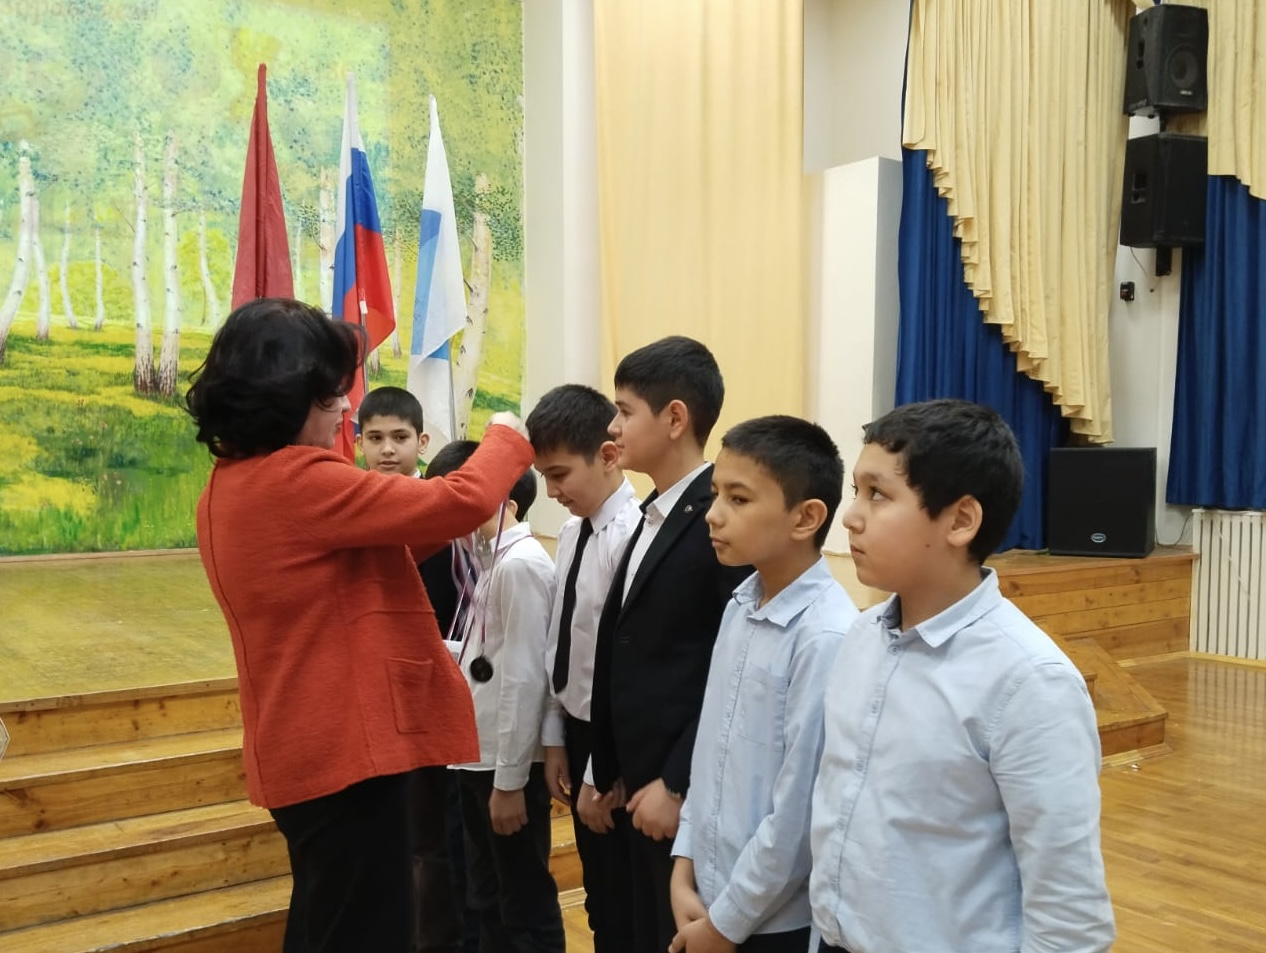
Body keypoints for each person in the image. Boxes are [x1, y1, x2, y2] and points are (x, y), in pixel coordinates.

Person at [185, 298, 535, 953]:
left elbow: (364, 560)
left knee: (326, 923)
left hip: (302, 746)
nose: (346, 408)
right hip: (343, 748)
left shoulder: (230, 484)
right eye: (329, 396)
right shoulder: (297, 478)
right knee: (368, 932)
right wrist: (506, 436)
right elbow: (464, 499)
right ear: (287, 399)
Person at [809, 399, 1116, 953]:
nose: (851, 516)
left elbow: (1069, 916)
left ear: (960, 521)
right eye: (856, 491)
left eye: (878, 494)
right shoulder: (860, 638)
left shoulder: (1029, 682)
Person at [669, 416, 858, 953]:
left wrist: (726, 923)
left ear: (806, 517)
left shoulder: (826, 636)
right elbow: (709, 754)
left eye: (739, 499)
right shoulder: (740, 605)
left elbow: (798, 815)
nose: (713, 514)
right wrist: (684, 864)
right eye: (715, 494)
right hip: (706, 892)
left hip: (772, 920)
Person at [588, 336, 752, 953]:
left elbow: (727, 664)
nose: (613, 426)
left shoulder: (719, 517)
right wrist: (606, 766)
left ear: (675, 417)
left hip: (676, 791)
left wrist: (679, 781)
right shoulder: (657, 510)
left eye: (624, 410)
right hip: (635, 783)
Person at [526, 384, 642, 953]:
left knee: (626, 901)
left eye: (560, 474)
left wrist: (601, 770)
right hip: (576, 730)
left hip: (617, 741)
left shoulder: (635, 537)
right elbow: (562, 643)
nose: (551, 492)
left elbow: (625, 668)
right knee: (599, 897)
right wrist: (555, 738)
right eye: (543, 477)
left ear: (608, 455)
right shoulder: (573, 533)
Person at [357, 386, 473, 953]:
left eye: (399, 438)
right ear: (357, 442)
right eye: (375, 438)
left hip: (430, 696)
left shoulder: (442, 519)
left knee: (431, 837)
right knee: (385, 837)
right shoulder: (351, 514)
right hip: (372, 704)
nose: (387, 450)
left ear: (422, 442)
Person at [443, 441, 566, 953]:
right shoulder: (492, 561)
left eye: (461, 496)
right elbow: (489, 658)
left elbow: (524, 679)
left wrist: (511, 783)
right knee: (489, 898)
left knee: (523, 903)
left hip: (502, 764)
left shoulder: (520, 566)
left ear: (501, 501)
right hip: (480, 755)